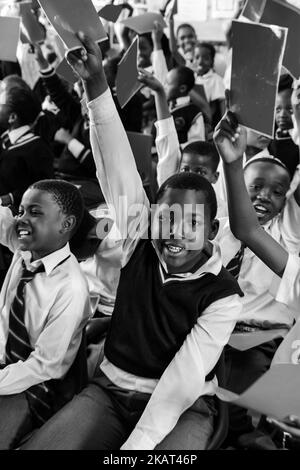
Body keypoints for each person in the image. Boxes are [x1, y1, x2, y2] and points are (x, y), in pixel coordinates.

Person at [22, 32, 243, 451]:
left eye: (192, 222)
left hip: (184, 405)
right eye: (166, 217)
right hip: (111, 393)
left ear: (213, 232)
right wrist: (96, 88)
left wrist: (132, 451)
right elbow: (119, 168)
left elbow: (180, 383)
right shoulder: (139, 239)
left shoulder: (223, 296)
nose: (175, 230)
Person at [212, 81, 300, 448]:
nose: (266, 196)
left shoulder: (288, 241)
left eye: (278, 192)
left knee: (241, 422)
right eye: (255, 187)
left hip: (260, 343)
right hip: (212, 334)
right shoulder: (220, 230)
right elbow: (241, 221)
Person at [0, 179, 90, 449]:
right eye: (21, 211)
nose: (22, 220)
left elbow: (44, 365)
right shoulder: (26, 249)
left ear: (66, 225)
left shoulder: (71, 287)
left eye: (35, 212)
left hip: (36, 386)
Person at [0, 86, 54, 210]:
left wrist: (11, 197)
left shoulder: (36, 149)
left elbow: (43, 188)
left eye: (0, 104)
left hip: (17, 213)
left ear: (12, 117)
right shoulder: (5, 137)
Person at [194, 42, 226, 128]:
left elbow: (221, 105)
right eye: (197, 57)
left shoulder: (216, 80)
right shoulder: (192, 78)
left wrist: (222, 126)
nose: (200, 62)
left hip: (208, 124)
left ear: (212, 61)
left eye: (206, 58)